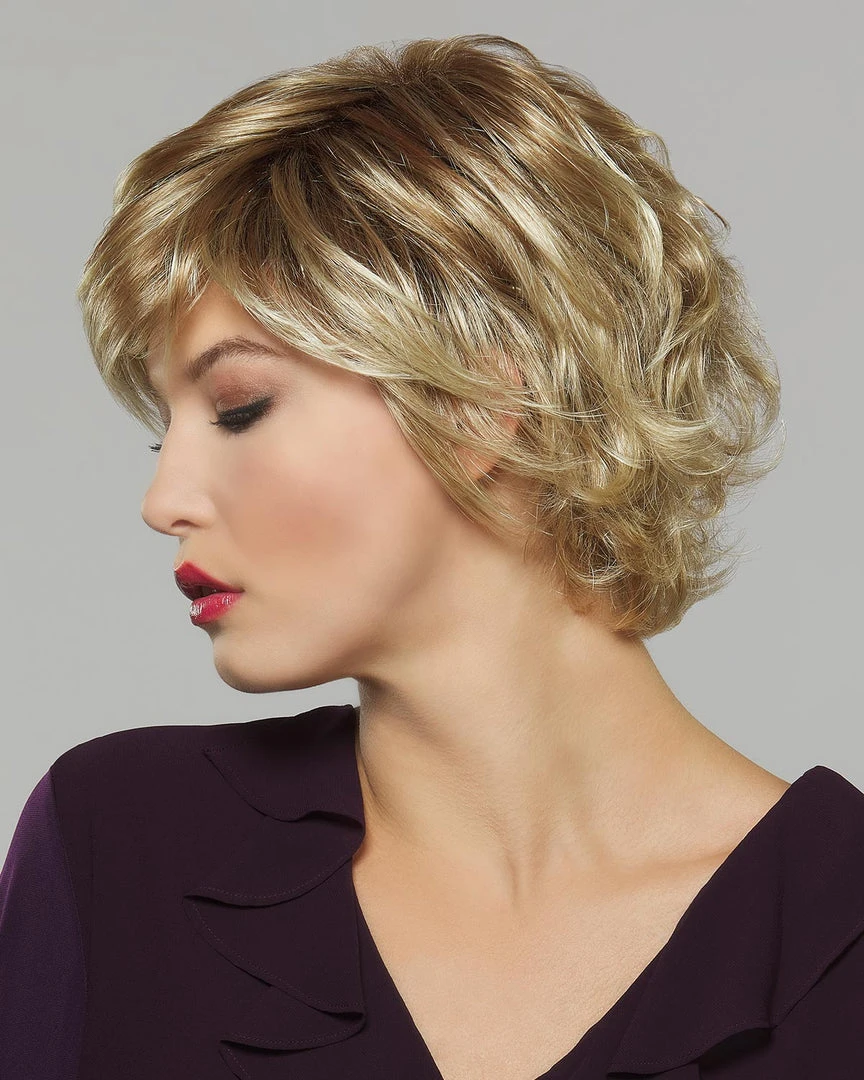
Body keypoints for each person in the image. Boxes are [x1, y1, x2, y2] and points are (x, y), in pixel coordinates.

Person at [2, 32, 862, 1080]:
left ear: (481, 400)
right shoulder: (120, 847)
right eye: (161, 433)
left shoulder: (837, 942)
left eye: (239, 407)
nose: (163, 502)